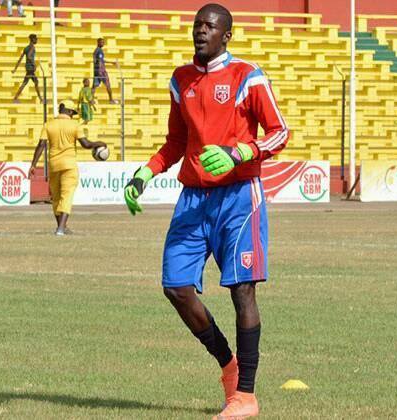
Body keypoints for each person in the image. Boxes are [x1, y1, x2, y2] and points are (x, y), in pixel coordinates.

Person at [123, 4, 288, 419]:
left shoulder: (247, 76)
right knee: (176, 287)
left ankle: (245, 396)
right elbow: (176, 142)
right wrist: (146, 172)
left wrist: (240, 153)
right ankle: (229, 366)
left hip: (239, 197)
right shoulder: (181, 79)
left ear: (226, 35)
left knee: (242, 290)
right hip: (193, 200)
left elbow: (279, 132)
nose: (201, 31)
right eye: (197, 25)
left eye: (210, 26)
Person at [28, 101, 106, 236]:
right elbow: (86, 144)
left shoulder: (48, 125)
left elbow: (41, 145)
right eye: (73, 113)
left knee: (56, 197)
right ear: (69, 111)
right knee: (67, 196)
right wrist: (99, 143)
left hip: (53, 165)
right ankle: (60, 229)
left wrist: (33, 164)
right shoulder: (75, 125)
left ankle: (62, 226)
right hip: (69, 165)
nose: (73, 116)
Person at [12, 34, 44, 104]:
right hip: (31, 68)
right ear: (32, 39)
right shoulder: (32, 47)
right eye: (36, 39)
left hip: (28, 68)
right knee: (30, 82)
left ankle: (40, 99)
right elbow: (29, 56)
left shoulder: (26, 48)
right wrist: (34, 64)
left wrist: (15, 69)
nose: (37, 40)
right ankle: (41, 99)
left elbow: (20, 59)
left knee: (30, 82)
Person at [92, 38, 118, 104]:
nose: (103, 44)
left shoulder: (95, 51)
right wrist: (101, 71)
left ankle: (91, 100)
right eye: (101, 42)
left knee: (94, 86)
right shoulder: (99, 51)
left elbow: (98, 60)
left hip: (96, 70)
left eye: (103, 42)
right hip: (101, 71)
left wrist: (111, 62)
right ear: (98, 43)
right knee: (108, 84)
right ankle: (111, 100)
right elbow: (100, 61)